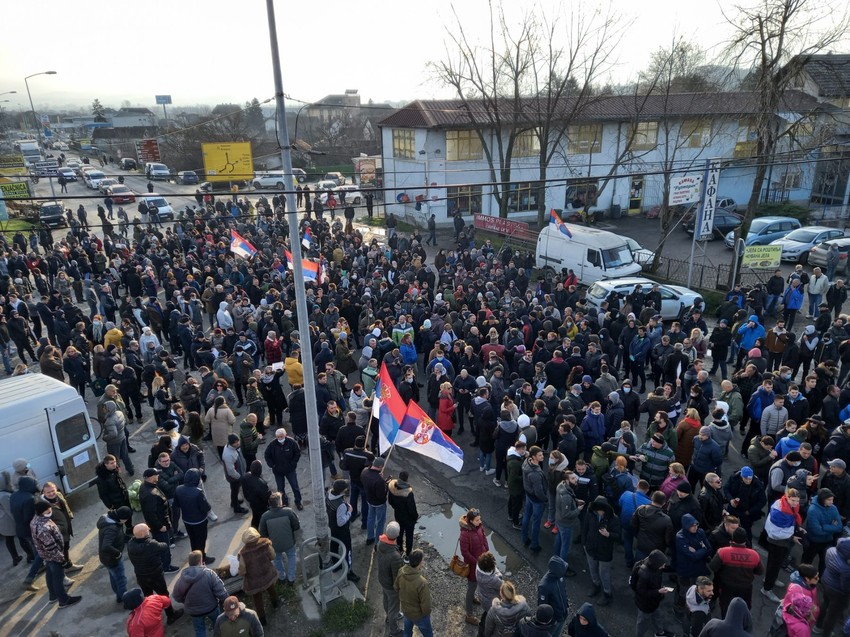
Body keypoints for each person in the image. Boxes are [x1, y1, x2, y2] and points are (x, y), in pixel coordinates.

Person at [30, 500, 82, 607]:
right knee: (57, 578)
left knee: (50, 574)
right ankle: (63, 600)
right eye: (48, 510)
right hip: (53, 555)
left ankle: (53, 596)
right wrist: (62, 559)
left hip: (47, 556)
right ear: (42, 512)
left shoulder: (36, 520)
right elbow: (51, 548)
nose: (50, 511)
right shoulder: (43, 528)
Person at [127, 523, 181, 624]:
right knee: (163, 594)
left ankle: (151, 616)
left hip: (141, 576)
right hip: (155, 575)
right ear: (143, 534)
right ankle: (171, 615)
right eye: (147, 530)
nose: (149, 531)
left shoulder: (130, 544)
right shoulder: (151, 544)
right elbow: (164, 546)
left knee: (148, 597)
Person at [761, 487, 803, 603]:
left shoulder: (786, 507)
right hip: (777, 542)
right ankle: (766, 588)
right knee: (773, 565)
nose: (795, 503)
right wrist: (791, 537)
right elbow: (776, 531)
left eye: (797, 501)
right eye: (793, 500)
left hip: (783, 540)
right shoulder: (780, 511)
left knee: (774, 564)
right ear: (787, 498)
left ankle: (770, 580)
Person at [708, 527, 764, 615]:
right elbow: (760, 571)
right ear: (745, 540)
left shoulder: (723, 552)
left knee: (725, 608)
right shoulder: (754, 555)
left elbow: (713, 567)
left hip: (727, 587)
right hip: (746, 588)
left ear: (733, 538)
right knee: (743, 610)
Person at [172, 550, 228, 637]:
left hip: (194, 612)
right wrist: (227, 600)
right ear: (200, 561)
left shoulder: (182, 579)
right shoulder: (209, 574)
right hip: (211, 608)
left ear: (189, 562)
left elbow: (176, 596)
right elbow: (221, 592)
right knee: (217, 625)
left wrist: (185, 602)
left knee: (199, 629)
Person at [138, 468, 178, 573]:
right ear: (150, 478)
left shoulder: (148, 486)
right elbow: (150, 514)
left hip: (160, 523)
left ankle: (163, 563)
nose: (158, 476)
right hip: (160, 526)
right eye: (156, 475)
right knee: (164, 546)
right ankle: (166, 566)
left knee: (162, 545)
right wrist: (160, 526)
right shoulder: (149, 494)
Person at [237, 527, 279, 626]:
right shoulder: (265, 544)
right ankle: (275, 603)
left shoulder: (243, 553)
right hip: (267, 574)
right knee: (271, 588)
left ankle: (262, 618)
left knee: (257, 599)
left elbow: (242, 571)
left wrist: (240, 572)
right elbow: (273, 556)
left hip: (254, 581)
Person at [582, 495, 619, 606]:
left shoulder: (613, 519)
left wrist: (608, 534)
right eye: (597, 510)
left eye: (601, 510)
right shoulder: (590, 514)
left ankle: (607, 593)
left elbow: (618, 536)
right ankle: (596, 585)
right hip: (591, 548)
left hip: (604, 551)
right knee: (593, 569)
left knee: (604, 573)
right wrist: (584, 544)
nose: (599, 512)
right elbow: (585, 529)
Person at [174, 469, 215, 565]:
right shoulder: (198, 492)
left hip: (187, 520)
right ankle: (202, 559)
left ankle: (194, 556)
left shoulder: (178, 489)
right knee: (201, 541)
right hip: (199, 521)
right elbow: (206, 507)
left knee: (193, 540)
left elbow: (177, 504)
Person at [258, 492, 300, 585]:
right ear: (279, 502)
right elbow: (296, 526)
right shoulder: (289, 512)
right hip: (289, 542)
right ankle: (291, 578)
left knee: (277, 560)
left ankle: (281, 577)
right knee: (292, 557)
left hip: (274, 545)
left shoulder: (265, 516)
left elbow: (263, 533)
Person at [459, 507, 490, 626]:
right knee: (471, 588)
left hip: (481, 562)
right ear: (471, 521)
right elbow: (465, 552)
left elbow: (484, 538)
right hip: (473, 566)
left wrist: (486, 551)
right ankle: (469, 615)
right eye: (477, 520)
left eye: (480, 519)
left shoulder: (479, 526)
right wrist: (477, 562)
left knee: (477, 584)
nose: (480, 521)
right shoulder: (465, 534)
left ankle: (472, 600)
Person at [97, 505, 133, 604]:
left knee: (114, 577)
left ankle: (119, 596)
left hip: (106, 558)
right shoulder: (112, 528)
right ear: (122, 518)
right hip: (112, 558)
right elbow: (106, 546)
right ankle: (126, 600)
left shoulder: (109, 519)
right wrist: (118, 554)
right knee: (121, 580)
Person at [634, 549, 674, 637]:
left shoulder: (655, 568)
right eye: (662, 564)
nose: (664, 566)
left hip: (654, 601)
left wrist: (658, 590)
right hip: (645, 604)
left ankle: (660, 633)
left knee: (657, 617)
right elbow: (641, 592)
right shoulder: (645, 574)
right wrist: (658, 591)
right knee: (642, 623)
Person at [816, 537, 850, 637]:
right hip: (838, 591)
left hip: (826, 581)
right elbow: (845, 586)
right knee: (832, 615)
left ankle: (817, 626)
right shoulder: (846, 569)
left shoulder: (831, 551)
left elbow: (842, 540)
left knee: (825, 603)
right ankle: (826, 633)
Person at [327, 479, 359, 582]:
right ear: (342, 490)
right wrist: (349, 512)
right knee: (347, 549)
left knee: (334, 544)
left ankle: (335, 564)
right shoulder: (340, 504)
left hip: (332, 526)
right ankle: (349, 571)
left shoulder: (329, 495)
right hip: (342, 530)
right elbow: (340, 522)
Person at [395, 548, 432, 637]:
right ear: (420, 563)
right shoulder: (422, 582)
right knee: (428, 634)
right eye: (423, 559)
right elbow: (426, 607)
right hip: (419, 616)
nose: (423, 561)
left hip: (406, 611)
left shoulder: (401, 571)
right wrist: (424, 615)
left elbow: (396, 587)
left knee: (407, 633)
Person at [263, 428, 303, 510]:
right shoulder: (272, 445)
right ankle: (284, 503)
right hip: (278, 472)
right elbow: (267, 455)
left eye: (281, 436)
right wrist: (272, 465)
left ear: (285, 435)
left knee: (295, 487)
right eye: (278, 437)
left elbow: (297, 453)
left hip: (290, 470)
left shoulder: (292, 442)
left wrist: (293, 463)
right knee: (280, 489)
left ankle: (298, 502)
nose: (280, 439)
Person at [377, 521, 405, 637]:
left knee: (386, 600)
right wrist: (399, 588)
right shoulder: (395, 556)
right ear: (397, 535)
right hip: (391, 585)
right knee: (394, 606)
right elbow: (397, 576)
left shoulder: (380, 544)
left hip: (382, 579)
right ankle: (394, 631)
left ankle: (389, 617)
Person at [521, 446, 547, 553]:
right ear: (534, 457)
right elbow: (539, 492)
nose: (542, 456)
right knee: (536, 522)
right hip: (537, 499)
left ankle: (524, 538)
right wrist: (545, 499)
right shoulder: (535, 474)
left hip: (528, 494)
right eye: (540, 455)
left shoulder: (526, 462)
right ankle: (534, 545)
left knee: (527, 516)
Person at [387, 470, 418, 556]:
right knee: (409, 536)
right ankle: (408, 553)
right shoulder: (408, 493)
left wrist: (396, 508)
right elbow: (412, 508)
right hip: (408, 519)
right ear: (407, 479)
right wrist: (415, 517)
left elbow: (390, 501)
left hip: (398, 515)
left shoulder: (392, 488)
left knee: (399, 533)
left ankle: (400, 549)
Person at [537, 556, 569, 637]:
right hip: (554, 619)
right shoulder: (544, 586)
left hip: (563, 612)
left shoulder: (559, 576)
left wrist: (566, 605)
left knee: (558, 633)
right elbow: (542, 606)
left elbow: (564, 590)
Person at [362, 456, 389, 546]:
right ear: (381, 466)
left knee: (371, 518)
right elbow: (381, 496)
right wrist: (386, 487)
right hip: (379, 504)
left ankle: (370, 537)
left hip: (369, 500)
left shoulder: (364, 472)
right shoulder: (379, 480)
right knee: (380, 522)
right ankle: (378, 542)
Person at [222, 434, 249, 515]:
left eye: (238, 441)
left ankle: (234, 502)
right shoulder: (228, 455)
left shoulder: (232, 448)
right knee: (235, 490)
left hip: (237, 475)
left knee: (234, 490)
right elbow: (231, 471)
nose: (237, 443)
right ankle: (236, 508)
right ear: (230, 443)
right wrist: (239, 477)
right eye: (235, 442)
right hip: (235, 478)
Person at [241, 460, 271, 530]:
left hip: (251, 502)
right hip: (261, 505)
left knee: (255, 517)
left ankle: (253, 530)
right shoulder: (261, 483)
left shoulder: (245, 476)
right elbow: (266, 497)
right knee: (263, 518)